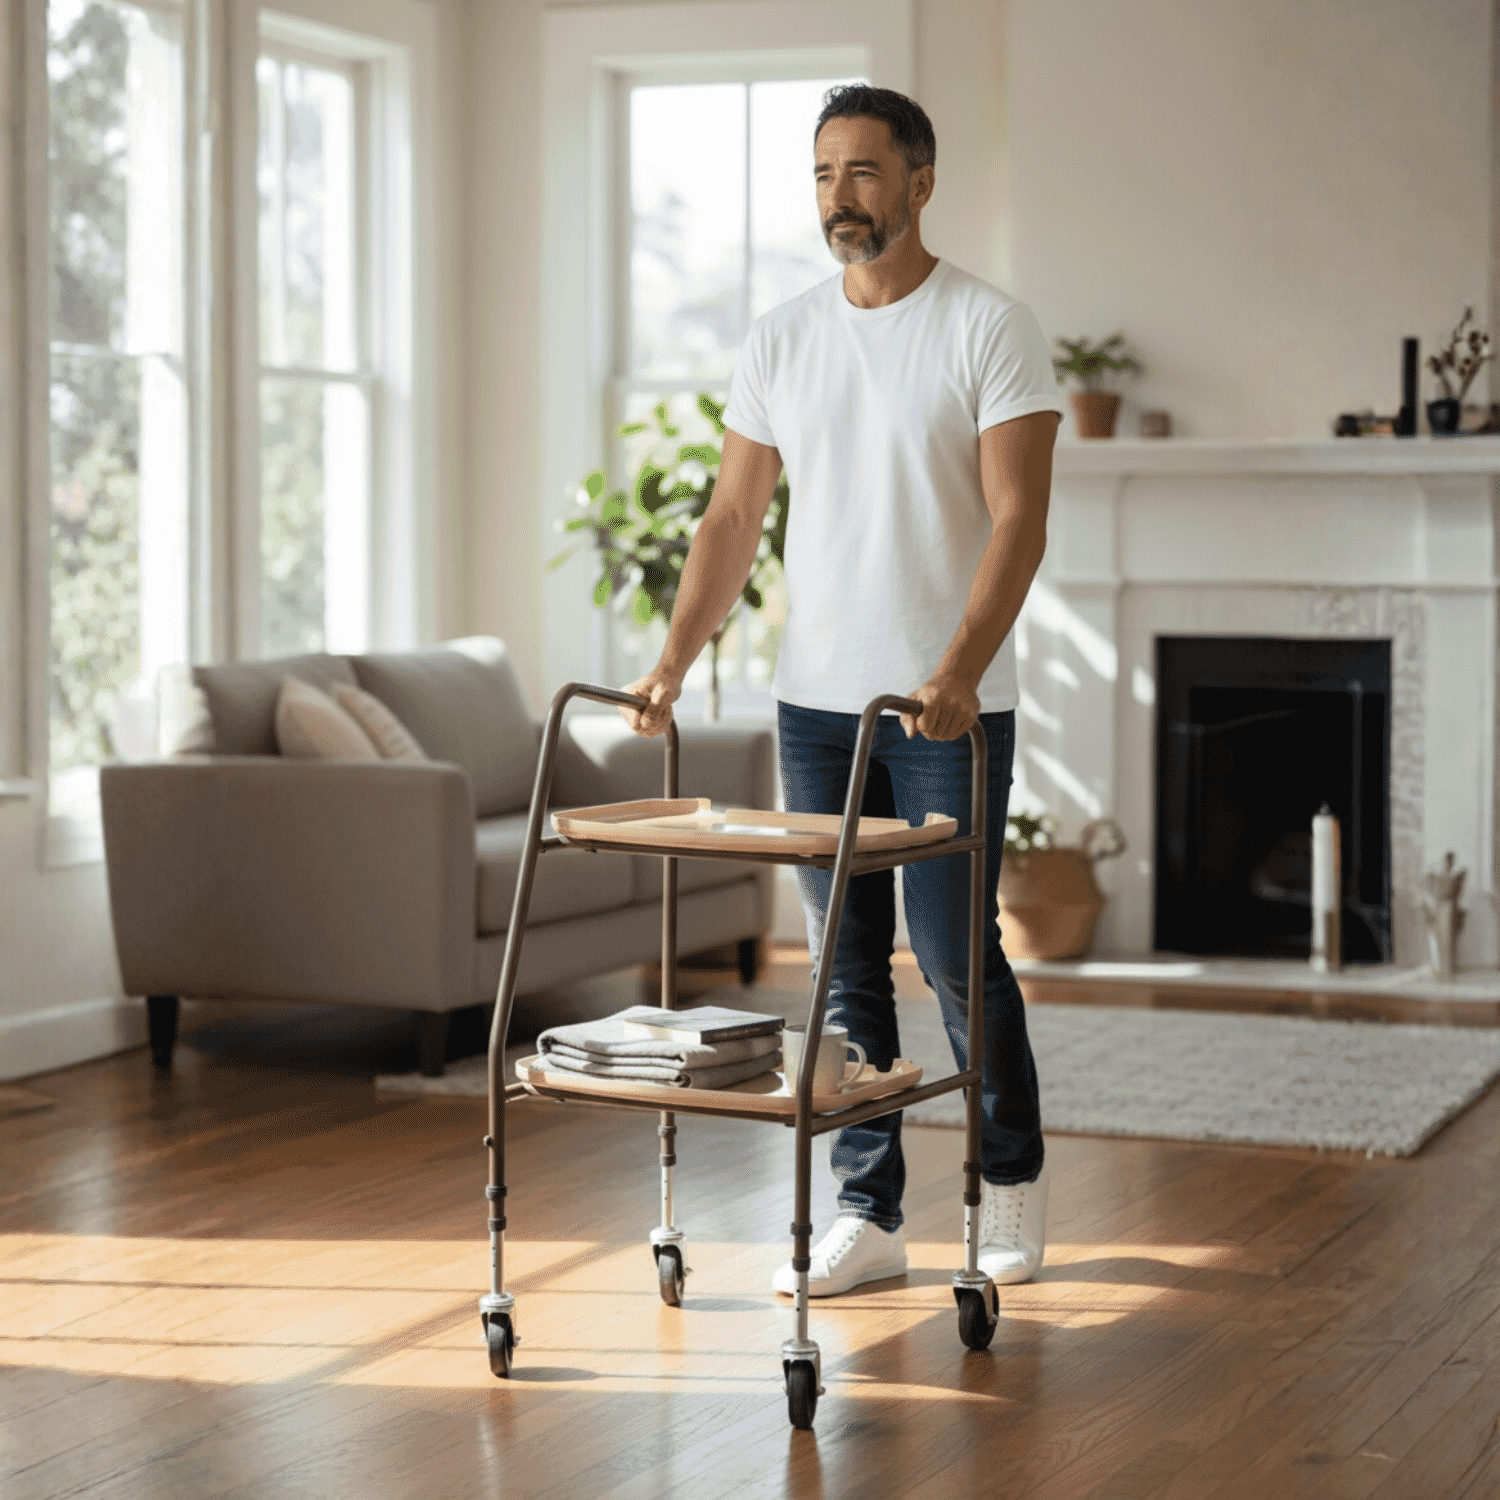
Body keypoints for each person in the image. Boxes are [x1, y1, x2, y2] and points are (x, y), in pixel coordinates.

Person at [620, 84, 1062, 1297]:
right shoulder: (782, 335)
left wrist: (962, 670)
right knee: (839, 964)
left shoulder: (990, 325)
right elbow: (731, 515)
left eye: (864, 173)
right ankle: (868, 1213)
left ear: (921, 181)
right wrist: (674, 660)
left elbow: (1018, 523)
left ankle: (1008, 1182)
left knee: (957, 954)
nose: (839, 198)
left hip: (943, 706)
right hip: (816, 704)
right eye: (823, 175)